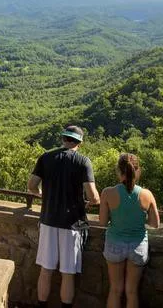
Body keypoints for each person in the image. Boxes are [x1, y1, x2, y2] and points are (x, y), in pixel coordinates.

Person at [27, 125, 100, 308]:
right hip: (72, 224)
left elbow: (32, 185)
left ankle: (41, 305)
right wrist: (94, 201)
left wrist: (44, 194)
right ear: (79, 143)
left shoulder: (46, 157)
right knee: (68, 273)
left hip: (48, 220)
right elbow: (92, 195)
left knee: (46, 270)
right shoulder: (83, 161)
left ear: (63, 139)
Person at [99, 153, 160, 308]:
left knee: (115, 290)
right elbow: (155, 223)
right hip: (138, 246)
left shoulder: (108, 193)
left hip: (114, 244)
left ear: (119, 171)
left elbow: (102, 222)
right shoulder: (147, 194)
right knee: (132, 292)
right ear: (137, 171)